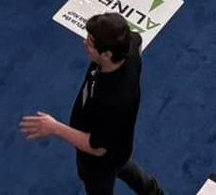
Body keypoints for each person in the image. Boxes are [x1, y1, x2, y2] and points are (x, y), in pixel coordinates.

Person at [20, 12, 166, 195]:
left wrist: (54, 127)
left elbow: (97, 149)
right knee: (124, 165)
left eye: (90, 42)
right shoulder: (129, 48)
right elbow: (138, 40)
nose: (85, 43)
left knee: (105, 179)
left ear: (107, 54)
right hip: (120, 146)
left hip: (100, 163)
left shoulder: (113, 102)